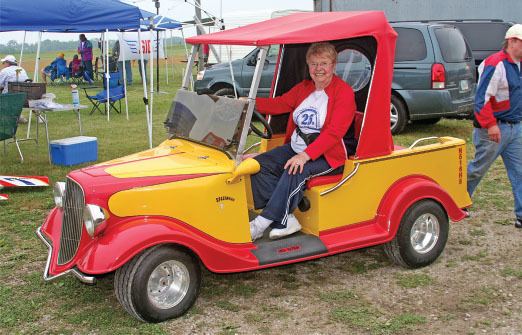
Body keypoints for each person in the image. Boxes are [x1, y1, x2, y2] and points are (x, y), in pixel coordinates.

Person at [248, 42, 357, 240]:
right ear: (308, 66)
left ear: (333, 65)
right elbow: (279, 103)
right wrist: (249, 103)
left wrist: (305, 156)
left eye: (324, 63)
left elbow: (334, 133)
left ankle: (259, 225)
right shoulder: (305, 87)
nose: (318, 69)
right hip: (296, 148)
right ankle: (285, 217)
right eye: (314, 64)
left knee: (294, 168)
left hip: (329, 155)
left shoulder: (344, 93)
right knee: (257, 165)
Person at [467, 24, 522, 229]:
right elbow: (482, 99)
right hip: (493, 129)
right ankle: (458, 202)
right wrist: (491, 125)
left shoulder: (518, 64)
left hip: (514, 128)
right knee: (477, 169)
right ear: (512, 42)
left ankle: (521, 216)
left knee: (519, 172)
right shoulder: (495, 63)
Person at [0, 54, 29, 123]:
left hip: (10, 97)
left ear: (7, 63)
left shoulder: (5, 71)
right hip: (25, 96)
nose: (3, 64)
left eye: (3, 63)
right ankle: (18, 116)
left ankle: (10, 116)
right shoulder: (22, 69)